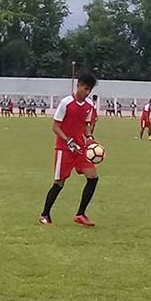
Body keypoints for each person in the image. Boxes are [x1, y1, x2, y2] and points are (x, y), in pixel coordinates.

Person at [39, 73, 100, 227]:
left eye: (89, 90)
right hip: (64, 149)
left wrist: (90, 137)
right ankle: (45, 214)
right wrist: (68, 141)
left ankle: (80, 214)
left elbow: (86, 124)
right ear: (78, 85)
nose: (87, 92)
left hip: (81, 149)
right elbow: (55, 127)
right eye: (85, 88)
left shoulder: (89, 106)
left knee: (93, 178)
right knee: (59, 183)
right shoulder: (66, 103)